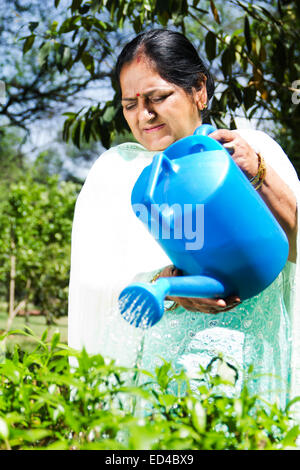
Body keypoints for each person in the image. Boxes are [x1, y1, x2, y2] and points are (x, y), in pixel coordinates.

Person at [68, 29, 300, 409]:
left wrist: (257, 173)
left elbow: (294, 247)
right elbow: (94, 291)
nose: (144, 115)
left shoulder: (254, 153)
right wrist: (166, 286)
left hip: (253, 369)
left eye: (158, 97)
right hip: (160, 375)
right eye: (129, 104)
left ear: (199, 90)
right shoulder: (117, 176)